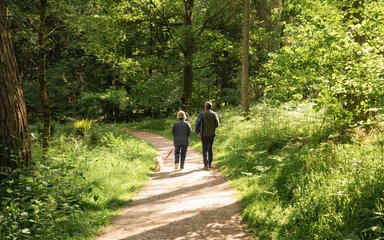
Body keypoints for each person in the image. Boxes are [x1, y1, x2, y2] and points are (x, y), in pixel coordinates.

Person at [196, 102, 219, 170]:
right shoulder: (214, 114)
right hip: (211, 134)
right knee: (210, 148)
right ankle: (210, 164)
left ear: (205, 107)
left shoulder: (201, 114)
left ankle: (206, 165)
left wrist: (198, 132)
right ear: (211, 107)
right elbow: (217, 124)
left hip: (204, 134)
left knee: (204, 149)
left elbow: (198, 124)